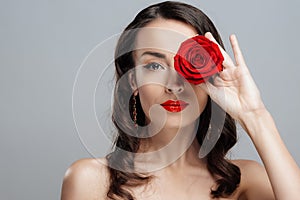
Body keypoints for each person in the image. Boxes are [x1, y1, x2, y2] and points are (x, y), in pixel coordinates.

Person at [61, 1, 300, 199]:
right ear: (132, 81)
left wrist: (255, 114)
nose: (173, 84)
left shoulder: (246, 182)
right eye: (154, 65)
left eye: (189, 62)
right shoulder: (90, 181)